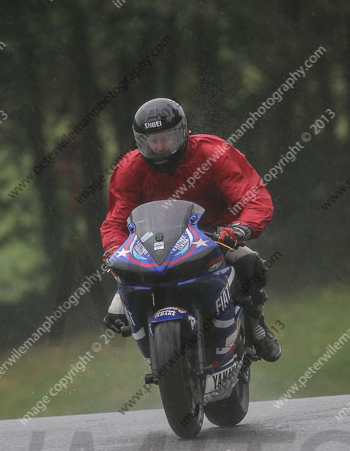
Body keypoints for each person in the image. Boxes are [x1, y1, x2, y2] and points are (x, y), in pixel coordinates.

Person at [100, 98, 281, 362]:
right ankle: (138, 323)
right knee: (115, 310)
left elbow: (254, 197)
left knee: (250, 263)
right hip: (152, 244)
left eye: (166, 138)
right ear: (141, 140)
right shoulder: (128, 167)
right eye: (152, 140)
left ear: (183, 132)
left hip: (214, 235)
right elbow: (115, 220)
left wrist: (240, 229)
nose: (159, 146)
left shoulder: (214, 153)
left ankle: (256, 325)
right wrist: (114, 250)